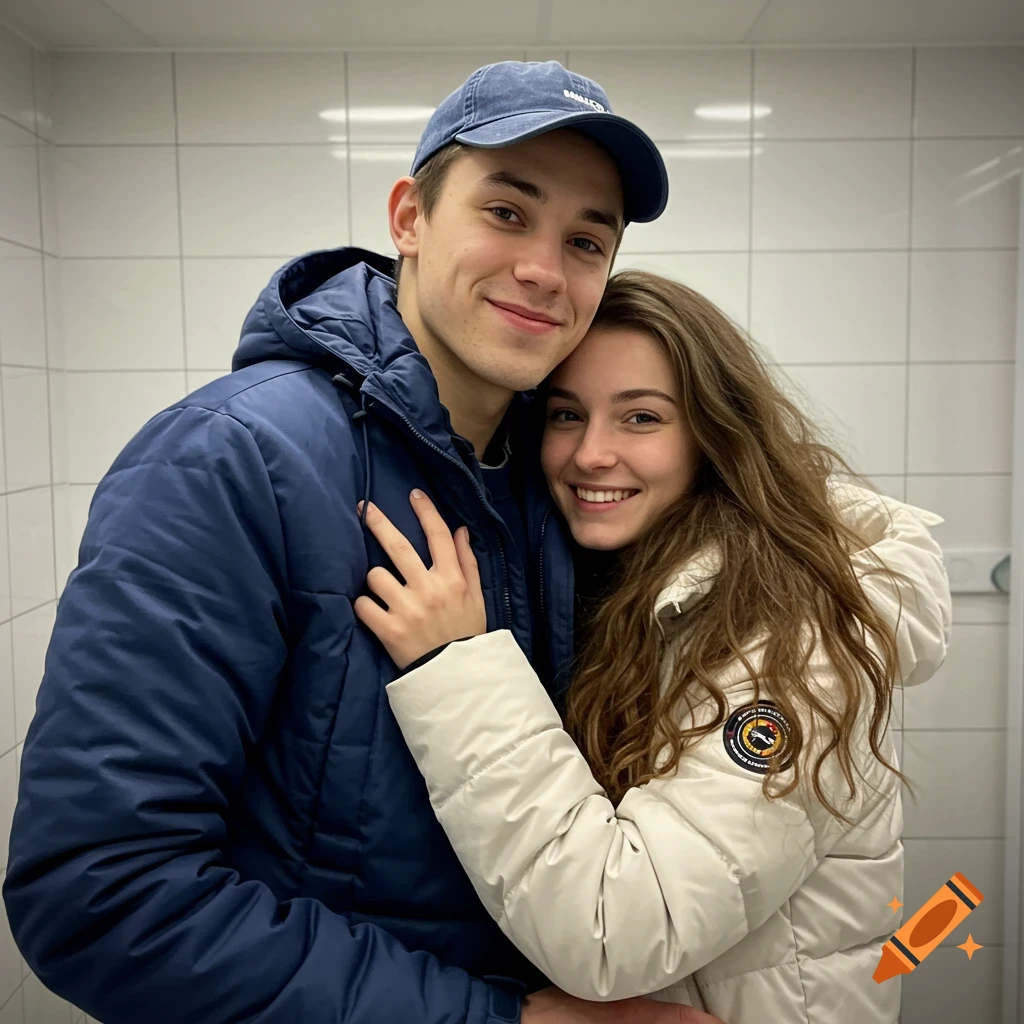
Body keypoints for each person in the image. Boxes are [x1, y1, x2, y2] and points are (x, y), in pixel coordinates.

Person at [2, 62, 720, 1024]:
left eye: (586, 240)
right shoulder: (233, 457)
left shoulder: (556, 480)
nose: (546, 269)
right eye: (507, 213)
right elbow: (100, 898)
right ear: (409, 218)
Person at [352, 271, 953, 1023]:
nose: (591, 454)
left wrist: (457, 669)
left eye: (641, 418)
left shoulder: (799, 637)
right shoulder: (632, 585)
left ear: (715, 435)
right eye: (567, 415)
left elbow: (616, 929)